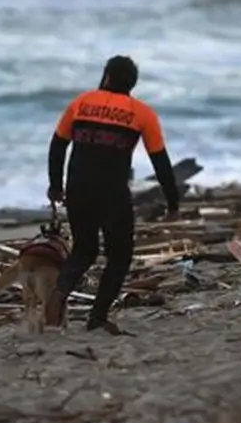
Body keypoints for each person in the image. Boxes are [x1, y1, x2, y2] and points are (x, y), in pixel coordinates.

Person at [43, 55, 181, 333]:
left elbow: (58, 146)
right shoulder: (142, 114)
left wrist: (56, 185)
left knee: (84, 249)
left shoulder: (80, 103)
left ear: (106, 77)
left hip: (78, 188)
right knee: (119, 255)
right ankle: (97, 317)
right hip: (112, 193)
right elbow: (160, 161)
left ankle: (59, 292)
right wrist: (172, 202)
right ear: (132, 83)